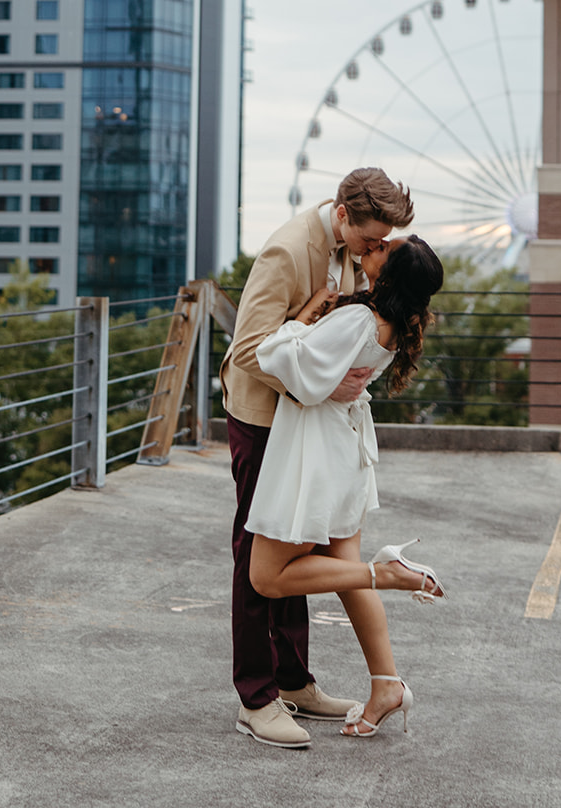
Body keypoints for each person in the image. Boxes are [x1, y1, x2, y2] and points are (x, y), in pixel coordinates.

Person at [220, 167, 414, 749]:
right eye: (371, 240)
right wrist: (322, 386)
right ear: (343, 214)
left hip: (304, 420)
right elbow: (248, 349)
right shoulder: (288, 249)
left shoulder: (355, 250)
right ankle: (256, 698)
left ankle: (295, 681)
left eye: (383, 244)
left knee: (300, 542)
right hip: (264, 415)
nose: (376, 251)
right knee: (258, 555)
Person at [245, 235, 446, 740]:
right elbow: (329, 373)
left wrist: (305, 315)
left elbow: (276, 357)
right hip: (347, 451)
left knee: (267, 578)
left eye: (383, 248)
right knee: (344, 572)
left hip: (316, 454)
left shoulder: (357, 320)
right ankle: (386, 684)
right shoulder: (394, 325)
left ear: (388, 272)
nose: (372, 248)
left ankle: (389, 573)